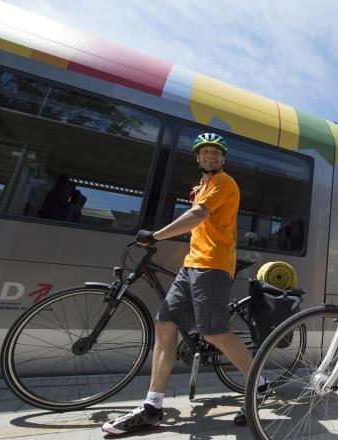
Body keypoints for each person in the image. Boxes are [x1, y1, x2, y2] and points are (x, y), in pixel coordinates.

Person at [102, 132, 261, 435]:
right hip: (192, 265)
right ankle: (152, 407)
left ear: (223, 159)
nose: (210, 157)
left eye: (216, 153)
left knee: (214, 332)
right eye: (205, 153)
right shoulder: (202, 186)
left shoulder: (224, 183)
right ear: (198, 158)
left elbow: (198, 215)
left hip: (213, 265)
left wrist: (156, 236)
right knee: (165, 324)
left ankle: (260, 385)